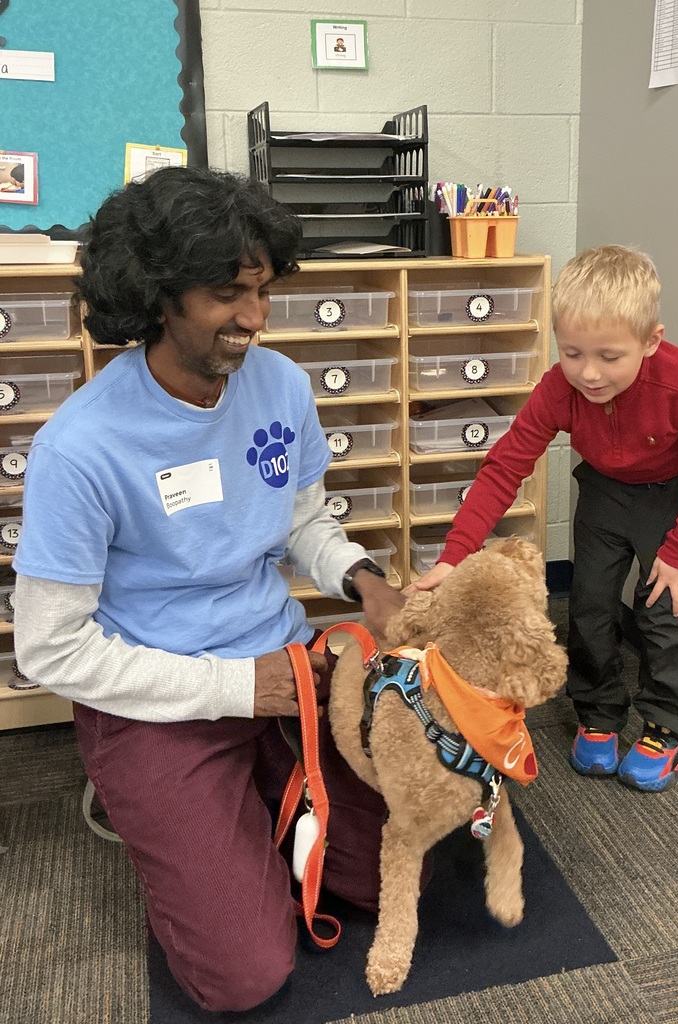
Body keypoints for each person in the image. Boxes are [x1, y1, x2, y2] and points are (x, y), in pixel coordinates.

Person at [12, 166, 405, 1013]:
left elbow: (301, 522)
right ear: (157, 296)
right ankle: (181, 816)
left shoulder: (283, 387)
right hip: (160, 697)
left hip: (284, 666)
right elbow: (49, 646)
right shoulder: (80, 449)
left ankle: (245, 806)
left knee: (391, 874)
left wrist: (361, 577)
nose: (255, 319)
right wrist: (233, 688)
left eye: (261, 290)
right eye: (227, 293)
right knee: (243, 977)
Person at [409, 245, 678, 794]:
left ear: (650, 341)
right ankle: (598, 711)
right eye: (572, 353)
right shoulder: (560, 388)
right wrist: (455, 555)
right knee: (587, 604)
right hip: (605, 494)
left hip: (673, 500)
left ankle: (670, 727)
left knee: (666, 613)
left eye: (610, 357)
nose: (589, 373)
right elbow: (504, 467)